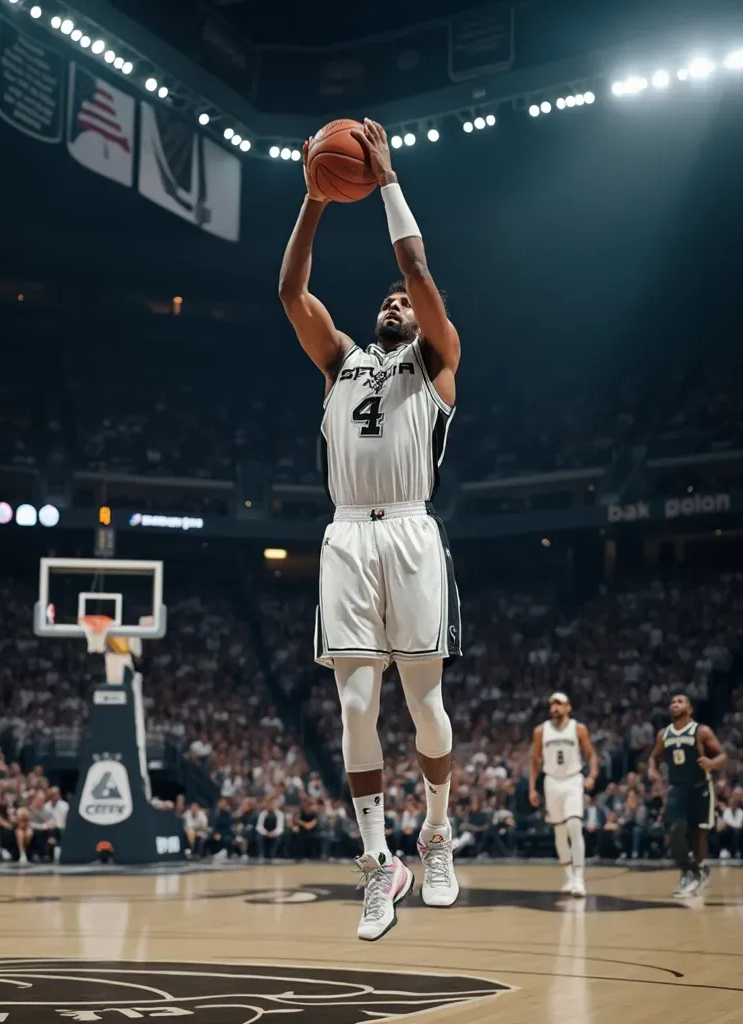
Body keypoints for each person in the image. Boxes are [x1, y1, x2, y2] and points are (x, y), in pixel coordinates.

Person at [279, 117, 461, 941]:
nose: (393, 303)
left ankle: (437, 828)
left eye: (402, 305)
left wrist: (385, 179)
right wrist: (314, 200)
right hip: (347, 536)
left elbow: (415, 264)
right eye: (384, 301)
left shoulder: (437, 361)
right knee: (356, 705)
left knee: (424, 707)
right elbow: (289, 292)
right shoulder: (341, 361)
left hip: (413, 536)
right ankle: (379, 862)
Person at [649, 693, 727, 897]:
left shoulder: (701, 731)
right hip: (677, 789)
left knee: (699, 832)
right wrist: (653, 770)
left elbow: (723, 755)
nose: (675, 704)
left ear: (689, 708)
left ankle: (697, 870)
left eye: (680, 701)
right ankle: (690, 869)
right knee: (675, 831)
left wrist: (712, 763)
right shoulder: (663, 734)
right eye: (672, 702)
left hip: (700, 787)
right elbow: (654, 757)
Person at [529, 692, 598, 896]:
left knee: (575, 824)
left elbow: (591, 754)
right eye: (552, 704)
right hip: (551, 781)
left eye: (559, 704)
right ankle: (568, 876)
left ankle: (579, 877)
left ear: (568, 707)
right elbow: (534, 761)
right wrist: (533, 788)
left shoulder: (578, 728)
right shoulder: (541, 731)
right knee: (559, 831)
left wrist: (592, 775)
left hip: (572, 780)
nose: (555, 707)